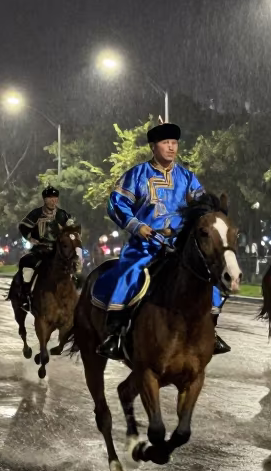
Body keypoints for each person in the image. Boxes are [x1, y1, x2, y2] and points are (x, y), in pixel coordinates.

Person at [93, 123, 230, 360]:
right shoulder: (136, 175)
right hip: (144, 246)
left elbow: (202, 208)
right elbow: (116, 204)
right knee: (130, 274)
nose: (171, 147)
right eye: (166, 143)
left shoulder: (187, 178)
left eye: (174, 143)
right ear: (153, 147)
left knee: (210, 280)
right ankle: (114, 335)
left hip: (178, 247)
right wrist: (138, 226)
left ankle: (211, 331)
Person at [11, 185, 72, 312]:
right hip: (40, 251)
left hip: (58, 252)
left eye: (55, 198)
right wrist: (30, 238)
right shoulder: (36, 214)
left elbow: (72, 229)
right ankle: (25, 295)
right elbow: (23, 226)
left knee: (73, 268)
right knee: (26, 264)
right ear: (44, 199)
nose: (53, 200)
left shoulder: (63, 214)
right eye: (50, 198)